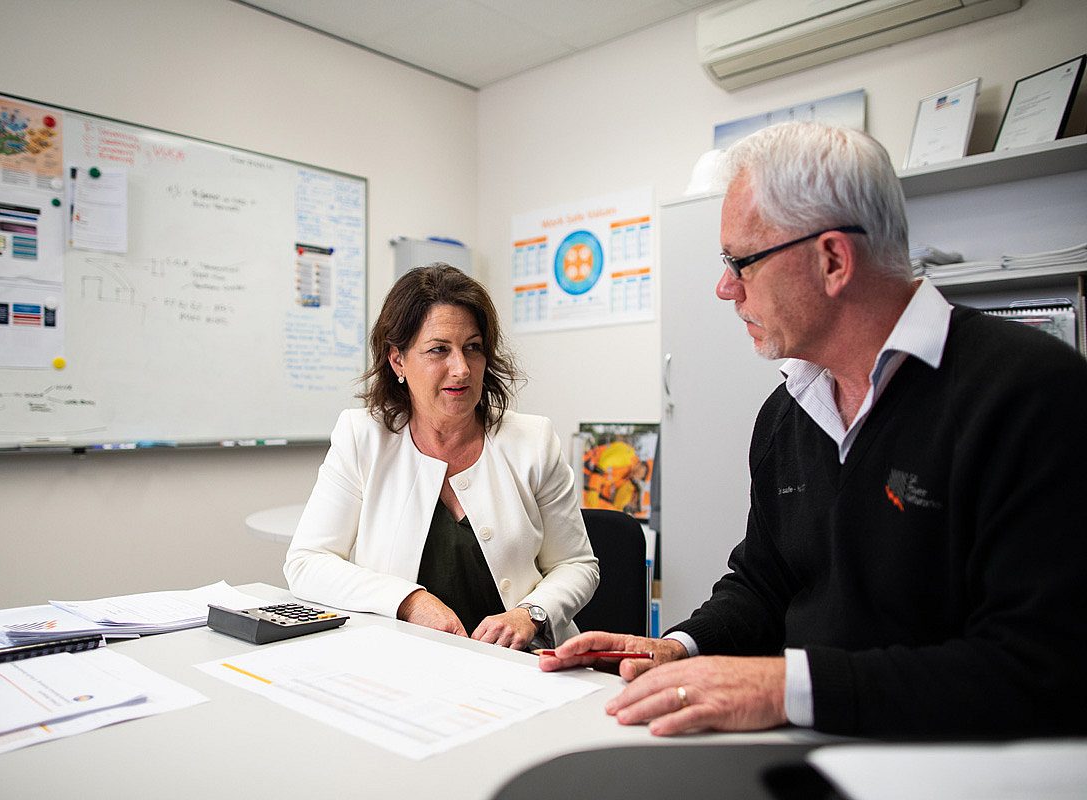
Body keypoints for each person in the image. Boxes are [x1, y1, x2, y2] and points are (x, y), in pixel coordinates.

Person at [541, 122, 1087, 737]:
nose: (725, 288)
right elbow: (764, 582)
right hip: (816, 747)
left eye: (739, 262)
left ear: (832, 259)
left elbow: (1043, 667)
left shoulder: (1032, 393)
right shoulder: (786, 415)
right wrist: (681, 647)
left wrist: (784, 687)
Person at [285, 264, 599, 649]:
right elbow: (307, 563)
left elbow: (577, 565)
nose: (462, 369)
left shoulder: (533, 441)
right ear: (398, 360)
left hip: (520, 663)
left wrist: (530, 612)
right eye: (439, 350)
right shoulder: (362, 437)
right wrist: (408, 601)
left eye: (473, 347)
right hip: (402, 661)